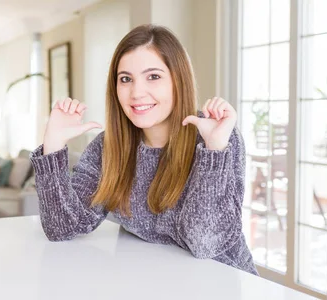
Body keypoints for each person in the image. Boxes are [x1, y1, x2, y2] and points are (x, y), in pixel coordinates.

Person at [29, 24, 258, 275]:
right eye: (126, 79)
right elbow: (63, 228)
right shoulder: (108, 148)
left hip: (226, 284)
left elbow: (205, 243)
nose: (137, 93)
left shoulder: (218, 136)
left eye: (154, 76)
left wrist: (214, 151)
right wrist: (52, 146)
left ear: (177, 81)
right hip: (155, 284)